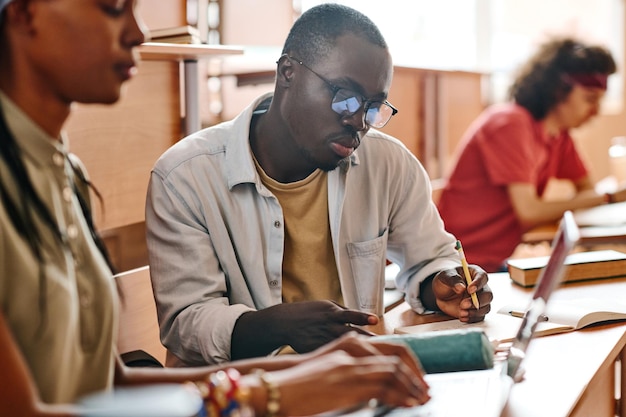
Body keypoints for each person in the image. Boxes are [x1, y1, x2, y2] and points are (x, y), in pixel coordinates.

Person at [0, 0, 433, 415]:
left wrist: (323, 370)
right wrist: (273, 397)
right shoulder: (181, 173)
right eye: (113, 7)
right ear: (22, 11)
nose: (138, 31)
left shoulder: (57, 169)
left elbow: (107, 387)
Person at [145, 3, 493, 367]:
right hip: (244, 394)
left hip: (359, 382)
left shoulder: (388, 163)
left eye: (374, 106)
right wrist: (278, 327)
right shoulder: (184, 177)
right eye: (345, 96)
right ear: (288, 73)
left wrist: (442, 286)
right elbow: (186, 322)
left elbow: (430, 256)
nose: (359, 121)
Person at [437, 37, 626, 273]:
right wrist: (609, 196)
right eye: (590, 99)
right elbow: (529, 212)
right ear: (558, 90)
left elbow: (587, 189)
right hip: (465, 267)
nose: (596, 111)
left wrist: (602, 196)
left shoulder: (558, 135)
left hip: (499, 260)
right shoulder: (510, 123)